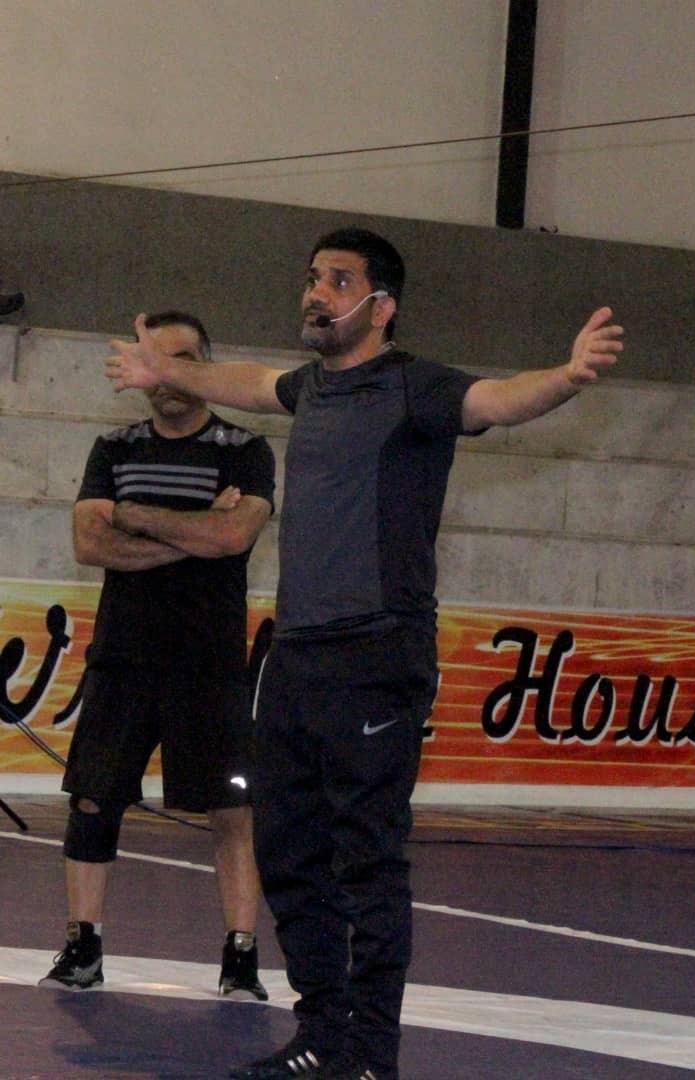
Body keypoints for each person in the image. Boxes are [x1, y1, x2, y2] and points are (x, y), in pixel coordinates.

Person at [105, 230, 623, 1080]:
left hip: (377, 656)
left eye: (338, 281)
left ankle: (372, 1053)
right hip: (296, 657)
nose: (316, 292)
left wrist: (566, 376)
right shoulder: (311, 388)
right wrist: (172, 372)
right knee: (286, 851)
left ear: (381, 306)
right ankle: (323, 1034)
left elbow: (498, 400)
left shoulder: (417, 388)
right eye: (313, 277)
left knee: (367, 860)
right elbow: (246, 381)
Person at [39, 310, 275, 1002]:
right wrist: (194, 534)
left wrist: (137, 515)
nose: (166, 375)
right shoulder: (113, 448)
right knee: (93, 799)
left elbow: (233, 538)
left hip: (209, 663)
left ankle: (240, 957)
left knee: (231, 811)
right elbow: (91, 544)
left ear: (206, 366)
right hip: (124, 656)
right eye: (155, 359)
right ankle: (82, 948)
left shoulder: (244, 449)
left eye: (181, 359)